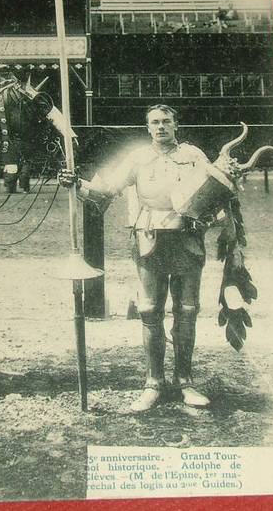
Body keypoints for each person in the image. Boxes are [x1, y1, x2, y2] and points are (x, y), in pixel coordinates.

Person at [59, 104, 215, 412]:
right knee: (149, 310)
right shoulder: (138, 158)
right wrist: (76, 184)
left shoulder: (195, 156)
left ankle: (186, 381)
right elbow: (106, 190)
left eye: (166, 121)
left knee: (187, 310)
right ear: (147, 128)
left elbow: (215, 195)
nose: (160, 127)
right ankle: (153, 383)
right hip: (149, 240)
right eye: (154, 122)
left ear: (176, 124)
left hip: (187, 239)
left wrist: (213, 220)